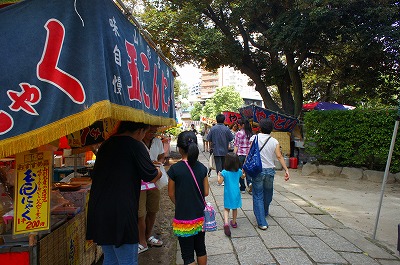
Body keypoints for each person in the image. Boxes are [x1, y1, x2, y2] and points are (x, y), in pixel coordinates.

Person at [86, 121, 162, 265]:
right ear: (139, 131)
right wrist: (158, 170)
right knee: (127, 261)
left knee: (110, 259)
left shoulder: (106, 144)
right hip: (121, 210)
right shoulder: (135, 145)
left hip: (100, 208)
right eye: (145, 133)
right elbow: (151, 175)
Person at [167, 131, 209, 265]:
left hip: (183, 218)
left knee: (187, 255)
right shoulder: (202, 168)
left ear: (179, 148)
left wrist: (179, 203)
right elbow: (206, 192)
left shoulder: (175, 169)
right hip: (200, 216)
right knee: (201, 249)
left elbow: (171, 193)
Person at [249, 118, 290, 230]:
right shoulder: (274, 141)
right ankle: (264, 211)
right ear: (271, 129)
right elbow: (279, 156)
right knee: (268, 193)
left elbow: (250, 154)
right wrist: (286, 169)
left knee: (258, 195)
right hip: (270, 171)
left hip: (258, 170)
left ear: (260, 128)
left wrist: (244, 168)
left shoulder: (254, 138)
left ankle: (262, 221)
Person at [138, 126, 165, 254]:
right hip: (140, 182)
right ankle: (141, 240)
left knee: (153, 209)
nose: (152, 134)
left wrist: (159, 162)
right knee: (140, 213)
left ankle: (148, 236)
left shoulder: (158, 142)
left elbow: (162, 156)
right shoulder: (137, 142)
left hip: (155, 179)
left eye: (154, 132)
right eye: (150, 131)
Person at [217, 153, 245, 237]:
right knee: (234, 208)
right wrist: (244, 172)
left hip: (228, 192)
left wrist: (219, 175)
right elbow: (243, 177)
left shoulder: (224, 172)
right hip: (236, 192)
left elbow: (219, 182)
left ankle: (226, 223)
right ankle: (233, 222)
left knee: (226, 208)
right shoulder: (239, 171)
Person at [233, 118, 253, 194]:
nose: (238, 126)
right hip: (249, 156)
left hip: (240, 155)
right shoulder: (251, 134)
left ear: (243, 125)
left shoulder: (238, 133)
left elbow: (236, 145)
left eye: (239, 124)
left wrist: (234, 155)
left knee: (240, 171)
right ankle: (250, 183)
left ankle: (242, 188)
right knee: (248, 171)